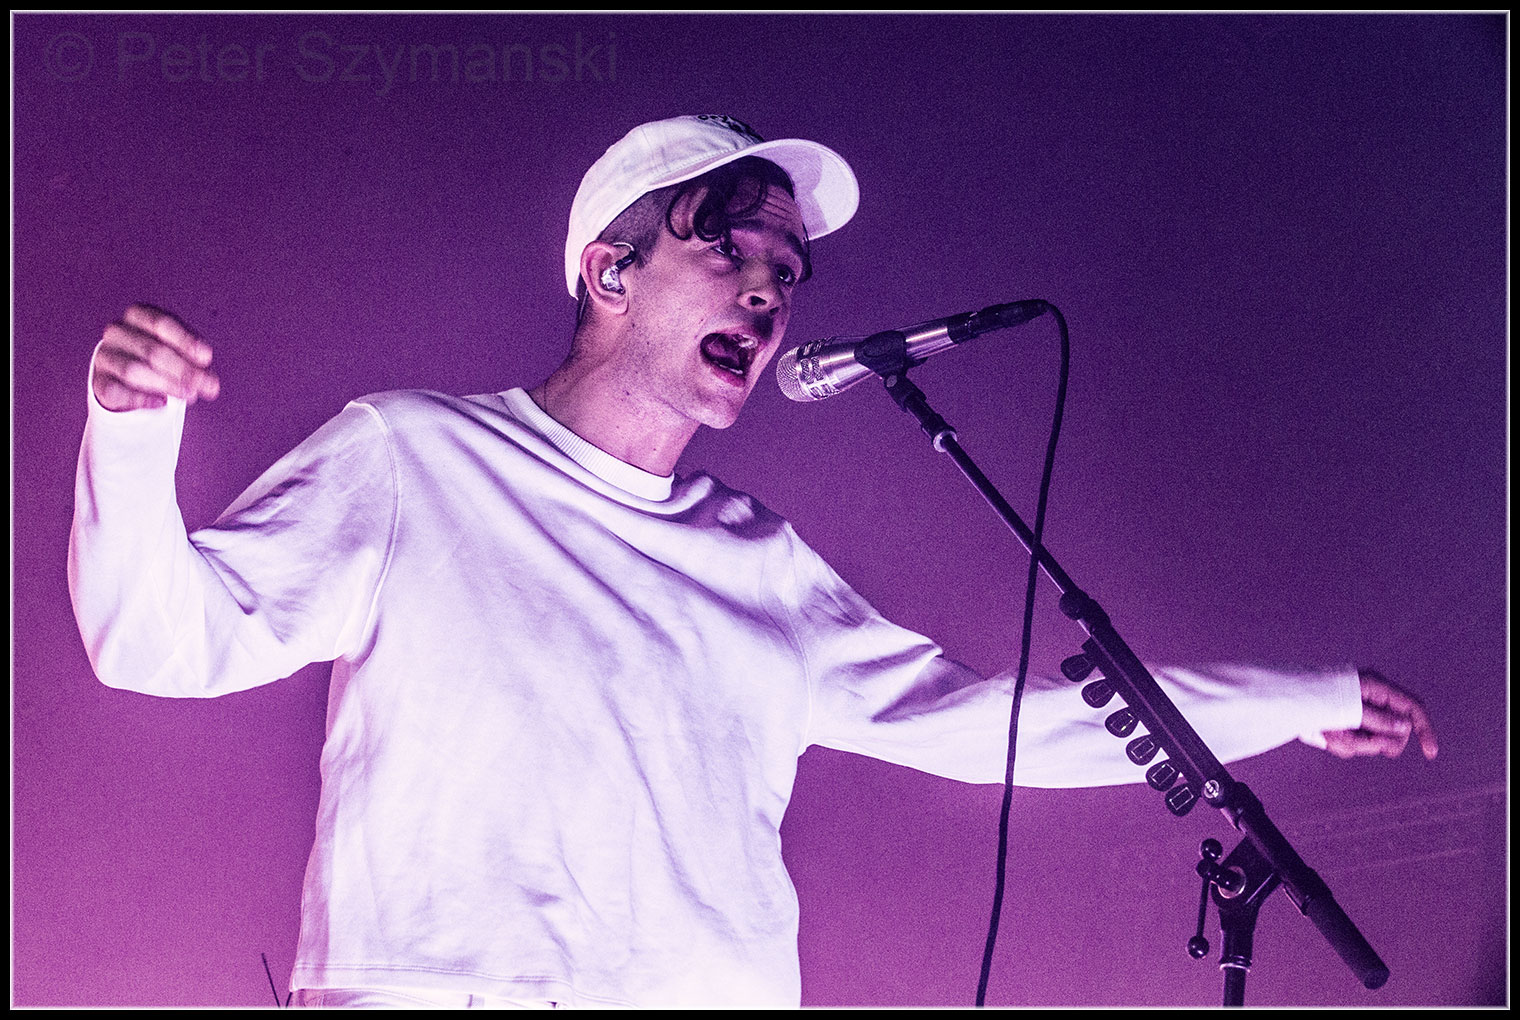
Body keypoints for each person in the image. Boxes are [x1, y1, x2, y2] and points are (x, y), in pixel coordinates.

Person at [70, 114, 1437, 1009]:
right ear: (610, 272)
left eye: (789, 268)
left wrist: (1289, 701)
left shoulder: (760, 561)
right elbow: (160, 642)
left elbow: (990, 724)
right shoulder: (414, 459)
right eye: (727, 246)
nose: (770, 288)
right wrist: (129, 436)